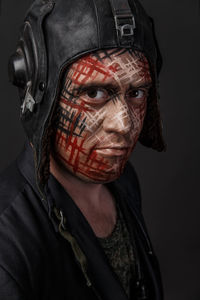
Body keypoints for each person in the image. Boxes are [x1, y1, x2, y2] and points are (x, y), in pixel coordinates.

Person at [0, 0, 166, 299]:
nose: (124, 124)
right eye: (94, 93)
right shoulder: (8, 237)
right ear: (41, 92)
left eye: (137, 92)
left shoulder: (124, 182)